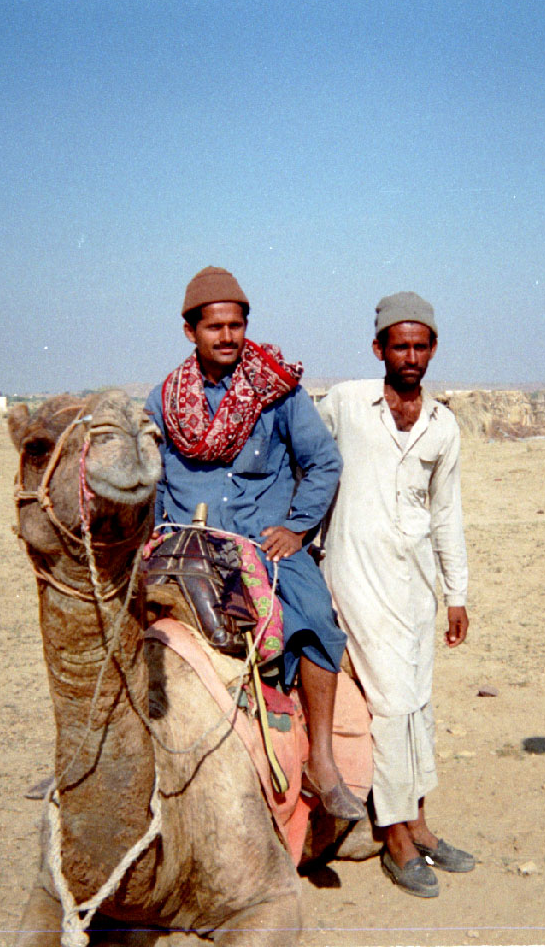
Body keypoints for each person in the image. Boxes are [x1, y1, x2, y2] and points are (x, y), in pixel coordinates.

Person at [145, 266, 366, 821]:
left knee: (315, 616)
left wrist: (297, 527)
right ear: (190, 331)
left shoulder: (277, 391)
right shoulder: (163, 401)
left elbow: (324, 462)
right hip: (186, 543)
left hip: (266, 548)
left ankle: (321, 761)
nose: (227, 337)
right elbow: (149, 481)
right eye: (214, 327)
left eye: (236, 326)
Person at [315, 291, 473, 898]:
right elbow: (305, 457)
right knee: (390, 702)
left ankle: (423, 826)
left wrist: (456, 594)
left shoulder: (443, 425)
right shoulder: (347, 404)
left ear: (432, 349)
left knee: (419, 704)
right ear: (378, 347)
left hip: (416, 586)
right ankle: (396, 839)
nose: (409, 356)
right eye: (398, 345)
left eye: (420, 345)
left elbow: (446, 514)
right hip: (355, 574)